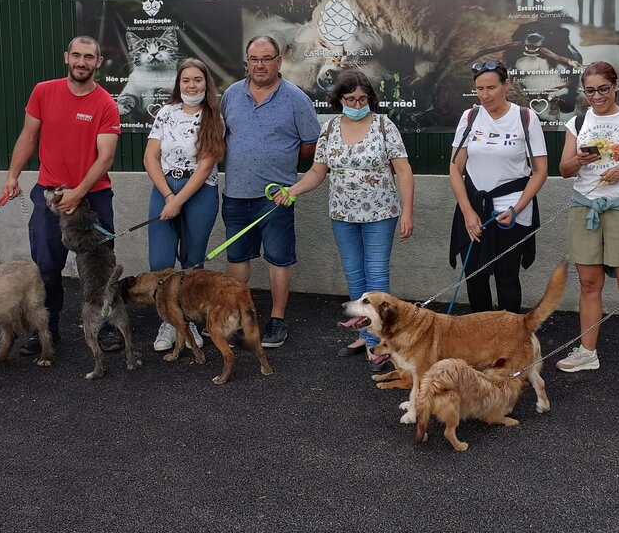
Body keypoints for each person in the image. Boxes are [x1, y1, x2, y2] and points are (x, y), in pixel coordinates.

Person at [275, 70, 415, 372]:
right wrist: (293, 190)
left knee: (376, 278)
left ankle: (383, 342)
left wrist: (408, 210)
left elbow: (403, 170)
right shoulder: (330, 129)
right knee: (354, 277)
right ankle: (365, 335)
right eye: (350, 98)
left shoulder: (383, 125)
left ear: (370, 99)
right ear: (339, 99)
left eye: (362, 98)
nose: (356, 103)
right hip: (343, 214)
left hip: (381, 213)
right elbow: (317, 171)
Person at [3, 35, 122, 355]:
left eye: (89, 57)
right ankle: (47, 328)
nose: (82, 62)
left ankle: (106, 323)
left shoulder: (106, 104)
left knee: (101, 265)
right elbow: (28, 136)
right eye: (77, 56)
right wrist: (13, 175)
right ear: (66, 57)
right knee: (45, 266)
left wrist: (78, 193)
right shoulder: (43, 91)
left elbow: (106, 157)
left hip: (93, 197)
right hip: (49, 195)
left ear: (99, 62)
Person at [556, 61, 619, 398]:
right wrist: (580, 161)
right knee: (589, 284)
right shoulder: (578, 122)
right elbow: (564, 169)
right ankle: (588, 353)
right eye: (590, 90)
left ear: (615, 86)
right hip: (585, 207)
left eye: (603, 88)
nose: (596, 96)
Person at [219, 35, 321, 347]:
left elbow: (309, 146)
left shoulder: (296, 99)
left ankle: (277, 319)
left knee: (279, 258)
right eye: (254, 59)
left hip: (276, 198)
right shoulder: (231, 95)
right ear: (247, 62)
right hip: (236, 193)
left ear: (278, 61)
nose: (260, 65)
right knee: (237, 257)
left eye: (267, 58)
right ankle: (238, 316)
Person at [449, 60, 548, 314]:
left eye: (491, 88)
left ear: (506, 85)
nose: (484, 95)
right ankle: (481, 341)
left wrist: (518, 207)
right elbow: (455, 168)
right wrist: (467, 211)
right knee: (475, 277)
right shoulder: (470, 117)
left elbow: (540, 171)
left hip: (511, 210)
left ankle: (510, 343)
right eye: (479, 88)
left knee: (507, 277)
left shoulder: (525, 117)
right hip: (473, 207)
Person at [143, 58, 225, 352]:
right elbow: (150, 157)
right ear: (179, 84)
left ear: (206, 83)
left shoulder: (214, 116)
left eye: (198, 80)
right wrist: (168, 196)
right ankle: (168, 321)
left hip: (199, 192)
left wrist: (179, 200)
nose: (192, 85)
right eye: (186, 80)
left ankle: (189, 321)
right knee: (161, 263)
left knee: (192, 263)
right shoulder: (166, 113)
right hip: (165, 188)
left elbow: (205, 166)